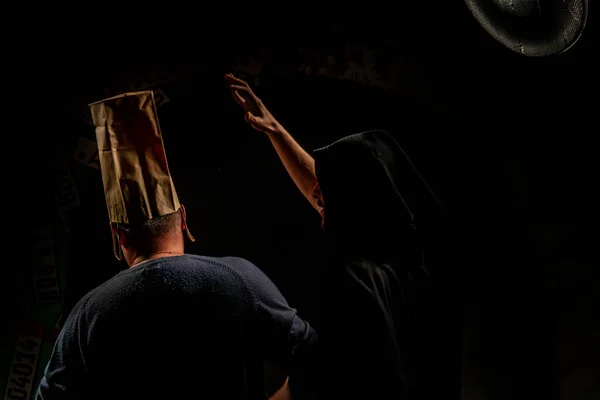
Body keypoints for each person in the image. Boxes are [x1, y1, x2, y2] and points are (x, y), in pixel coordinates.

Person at [36, 91, 317, 400]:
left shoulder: (88, 316)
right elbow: (313, 358)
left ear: (118, 235)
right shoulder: (238, 279)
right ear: (183, 218)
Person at [226, 73, 457, 399]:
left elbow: (329, 379)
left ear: (351, 201)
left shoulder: (355, 278)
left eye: (327, 189)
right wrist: (275, 130)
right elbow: (330, 192)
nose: (316, 193)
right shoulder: (417, 256)